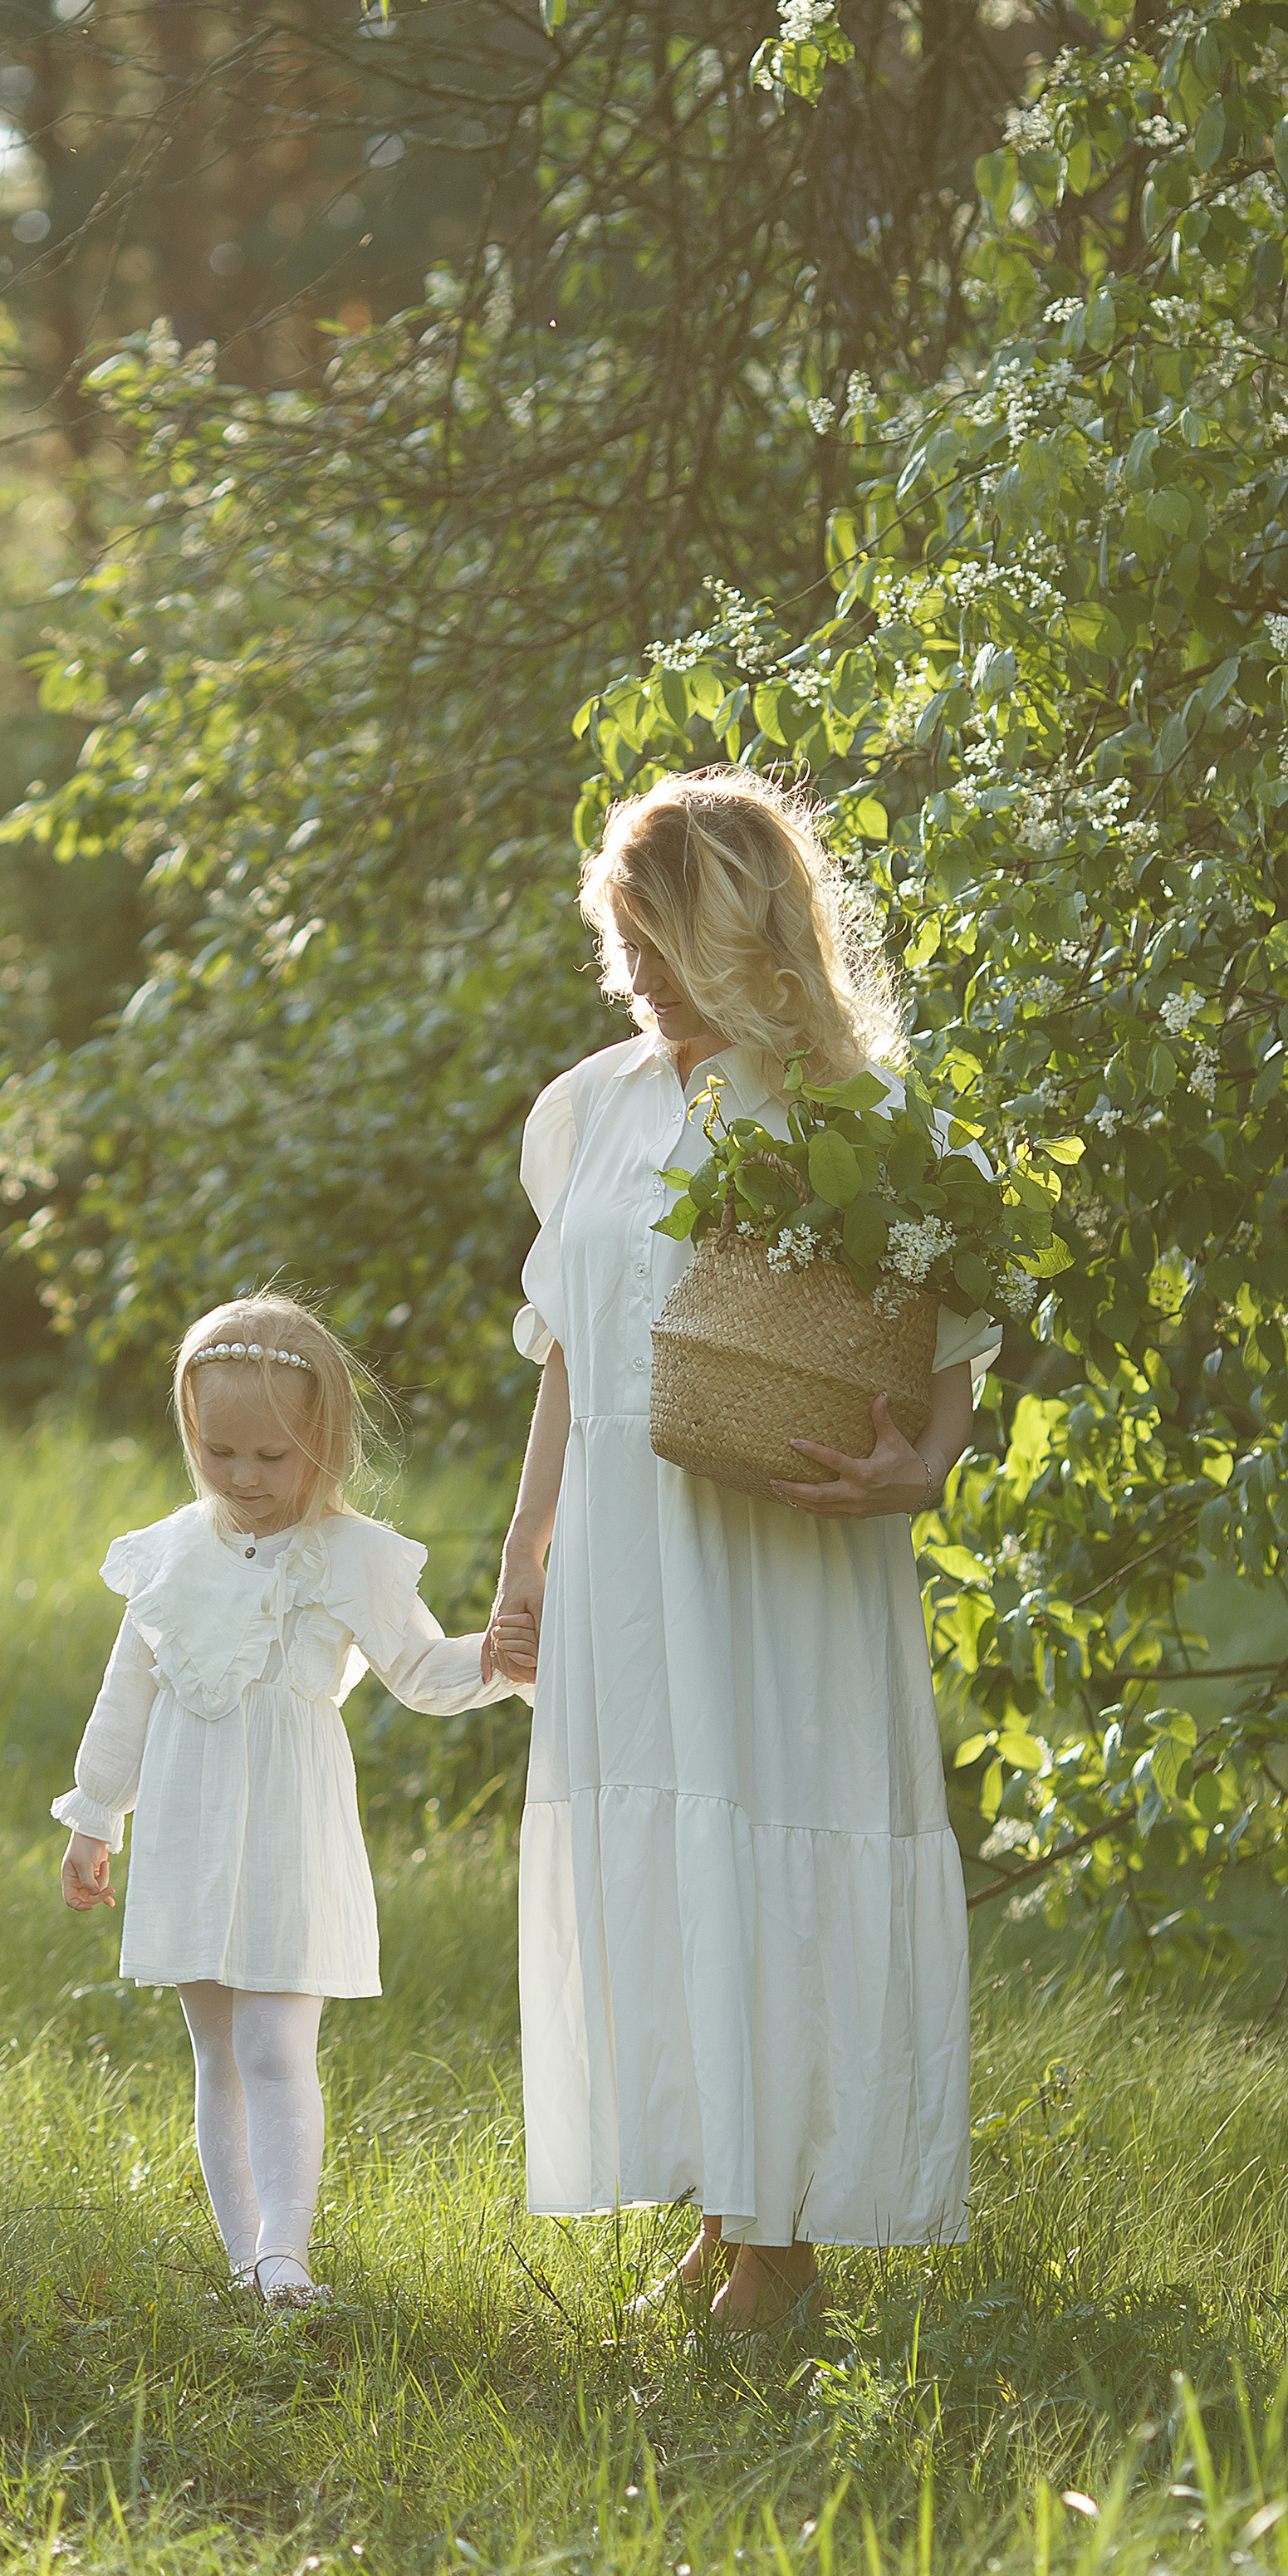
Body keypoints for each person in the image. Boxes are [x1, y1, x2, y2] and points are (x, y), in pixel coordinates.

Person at [483, 768, 1000, 2329]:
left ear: (744, 930)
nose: (630, 975)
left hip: (786, 1557)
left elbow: (953, 1333)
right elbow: (570, 1351)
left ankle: (785, 2245)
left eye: (656, 938)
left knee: (774, 1837)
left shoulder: (860, 1112)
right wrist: (525, 1558)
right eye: (615, 939)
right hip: (634, 1568)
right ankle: (727, 2203)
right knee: (667, 1847)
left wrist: (922, 1466)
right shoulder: (592, 1106)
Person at [54, 1292, 525, 2308]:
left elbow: (419, 1671)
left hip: (285, 1830)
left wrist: (494, 1658)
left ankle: (285, 2254)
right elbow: (125, 1696)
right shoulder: (170, 1551)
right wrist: (96, 1816)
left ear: (326, 1442)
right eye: (221, 1453)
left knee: (275, 2046)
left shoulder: (355, 1558)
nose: (245, 1479)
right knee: (216, 2051)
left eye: (273, 1457)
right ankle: (242, 2266)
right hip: (186, 1828)